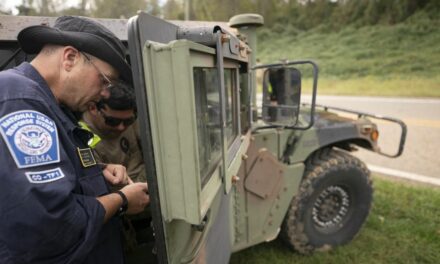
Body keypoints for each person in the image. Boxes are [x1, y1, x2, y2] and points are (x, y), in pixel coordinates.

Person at [0, 16, 149, 263]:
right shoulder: (20, 102)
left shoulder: (49, 104)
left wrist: (96, 172)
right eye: (104, 80)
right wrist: (122, 201)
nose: (104, 93)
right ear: (70, 58)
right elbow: (50, 223)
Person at [80, 80, 146, 185]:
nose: (121, 127)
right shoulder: (81, 138)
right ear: (93, 108)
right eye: (113, 121)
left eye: (128, 121)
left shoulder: (130, 119)